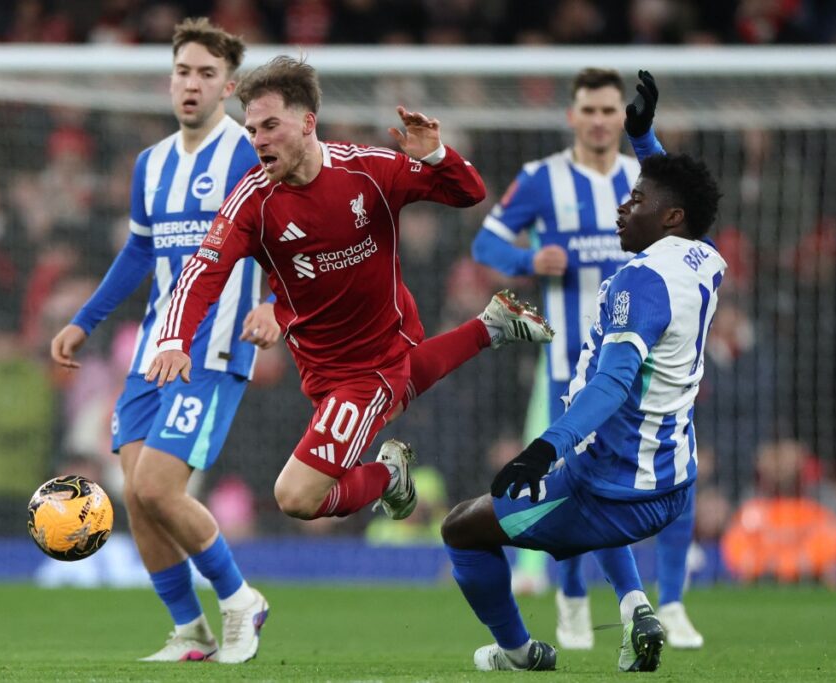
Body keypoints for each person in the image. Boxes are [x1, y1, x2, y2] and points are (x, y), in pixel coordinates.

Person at [146, 55, 554, 527]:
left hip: (378, 353)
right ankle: (490, 327)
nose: (258, 140)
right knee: (391, 399)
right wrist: (174, 339)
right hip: (320, 365)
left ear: (307, 123)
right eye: (252, 130)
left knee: (296, 495)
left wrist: (437, 155)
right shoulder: (252, 201)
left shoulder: (368, 170)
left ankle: (389, 475)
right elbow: (203, 270)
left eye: (271, 126)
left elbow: (469, 192)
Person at [441, 140, 726, 672]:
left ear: (670, 217)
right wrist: (645, 139)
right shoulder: (705, 258)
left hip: (616, 488)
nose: (622, 207)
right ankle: (637, 610)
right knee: (586, 479)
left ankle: (519, 652)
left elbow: (612, 383)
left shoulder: (639, 282)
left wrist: (545, 447)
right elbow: (687, 201)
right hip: (673, 478)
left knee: (461, 529)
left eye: (636, 200)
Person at [50, 18, 277, 665]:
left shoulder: (247, 155)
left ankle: (240, 600)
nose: (191, 83)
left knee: (156, 486)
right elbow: (138, 252)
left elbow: (289, 234)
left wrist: (275, 305)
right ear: (169, 79)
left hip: (216, 345)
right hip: (156, 347)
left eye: (207, 73)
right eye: (183, 71)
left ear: (228, 86)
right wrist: (85, 320)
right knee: (135, 495)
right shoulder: (151, 164)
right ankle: (190, 631)